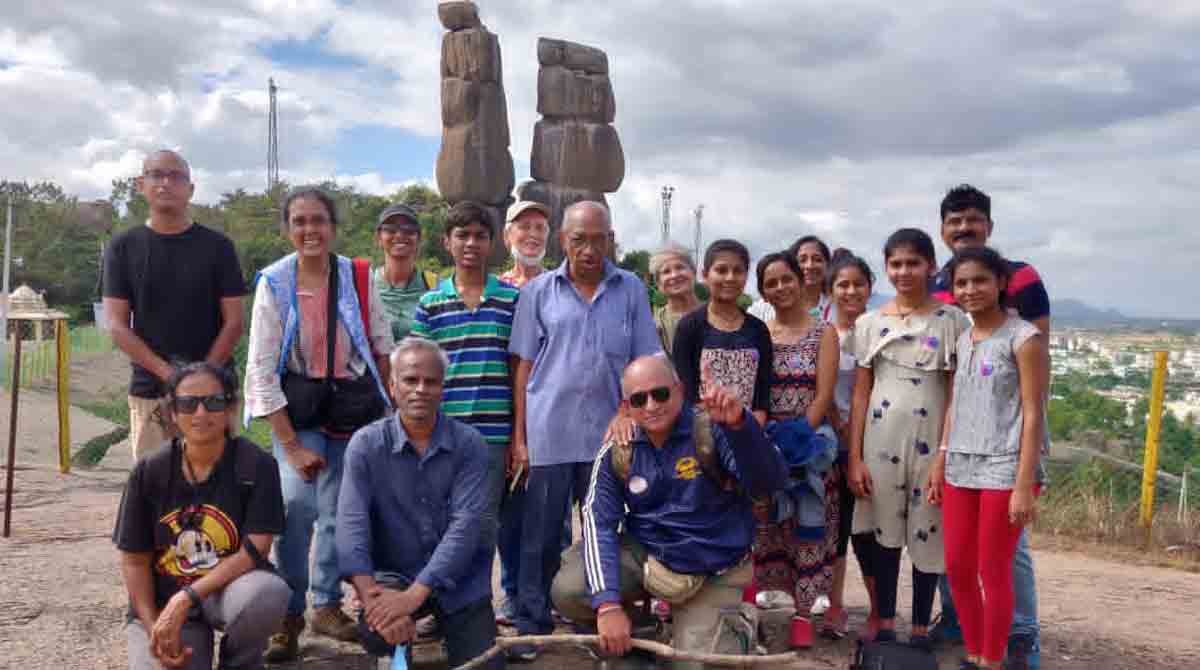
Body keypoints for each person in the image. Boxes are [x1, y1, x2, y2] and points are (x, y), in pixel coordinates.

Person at [552, 354, 788, 668]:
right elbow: (598, 524)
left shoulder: (714, 429)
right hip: (651, 557)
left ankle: (731, 628)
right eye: (639, 399)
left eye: (660, 393)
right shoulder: (617, 450)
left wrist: (741, 427)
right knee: (569, 589)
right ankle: (641, 636)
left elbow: (768, 483)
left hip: (713, 567)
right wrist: (608, 606)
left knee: (694, 665)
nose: (651, 405)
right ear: (626, 407)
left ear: (679, 390)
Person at [243, 187, 395, 660]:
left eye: (319, 220)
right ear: (288, 229)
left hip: (349, 407)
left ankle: (326, 604)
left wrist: (385, 410)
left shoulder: (358, 276)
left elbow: (381, 343)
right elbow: (261, 366)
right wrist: (289, 445)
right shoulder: (276, 282)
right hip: (298, 408)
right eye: (300, 221)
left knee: (339, 511)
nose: (310, 230)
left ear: (333, 226)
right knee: (295, 506)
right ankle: (287, 611)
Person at [508, 201, 661, 660]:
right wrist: (519, 439)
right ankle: (531, 625)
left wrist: (627, 411)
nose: (589, 249)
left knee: (605, 533)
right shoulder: (539, 292)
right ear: (563, 241)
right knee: (539, 534)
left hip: (609, 439)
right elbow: (523, 366)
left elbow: (644, 363)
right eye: (580, 239)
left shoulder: (631, 288)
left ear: (611, 240)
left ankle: (598, 624)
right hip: (549, 432)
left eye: (598, 239)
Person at [929, 184, 1049, 669]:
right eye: (962, 284)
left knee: (993, 569)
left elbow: (1034, 410)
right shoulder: (963, 337)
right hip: (961, 462)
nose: (970, 290)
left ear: (1001, 283)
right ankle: (976, 653)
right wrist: (940, 458)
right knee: (957, 566)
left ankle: (995, 659)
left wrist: (1025, 483)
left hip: (1005, 465)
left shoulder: (1023, 337)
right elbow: (955, 400)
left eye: (980, 281)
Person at [337, 338, 503, 669]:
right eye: (411, 380)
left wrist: (412, 598)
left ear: (443, 388)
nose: (421, 389)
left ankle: (436, 623)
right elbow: (350, 528)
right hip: (392, 578)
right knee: (377, 634)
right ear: (392, 385)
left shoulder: (470, 445)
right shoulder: (366, 445)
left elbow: (465, 529)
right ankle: (400, 639)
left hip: (460, 583)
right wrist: (375, 602)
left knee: (485, 664)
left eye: (431, 381)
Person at [114, 362, 289, 670]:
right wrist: (156, 625)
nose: (200, 414)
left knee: (268, 593)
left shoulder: (257, 465)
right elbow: (134, 560)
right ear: (172, 412)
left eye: (214, 402)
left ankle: (241, 663)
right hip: (164, 598)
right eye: (188, 404)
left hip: (226, 589)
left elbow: (255, 549)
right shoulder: (149, 472)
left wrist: (188, 597)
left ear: (230, 408)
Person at [846, 229, 969, 648]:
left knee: (927, 531)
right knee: (882, 532)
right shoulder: (868, 323)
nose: (904, 271)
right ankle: (883, 620)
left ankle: (920, 627)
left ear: (931, 267)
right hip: (879, 443)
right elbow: (861, 392)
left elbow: (956, 392)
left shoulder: (952, 322)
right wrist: (854, 457)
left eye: (913, 263)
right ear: (886, 269)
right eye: (896, 264)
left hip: (932, 442)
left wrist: (944, 455)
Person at [410, 200, 519, 620]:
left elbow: (517, 370)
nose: (471, 243)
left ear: (491, 243)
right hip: (443, 432)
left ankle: (475, 610)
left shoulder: (511, 299)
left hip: (492, 435)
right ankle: (438, 609)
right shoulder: (432, 303)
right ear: (447, 242)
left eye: (479, 235)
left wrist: (517, 436)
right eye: (462, 235)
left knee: (483, 526)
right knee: (439, 524)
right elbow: (420, 368)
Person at [103, 150, 246, 461]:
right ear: (141, 185)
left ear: (190, 189)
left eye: (176, 176)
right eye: (156, 175)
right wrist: (170, 376)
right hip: (152, 393)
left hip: (215, 391)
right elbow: (116, 324)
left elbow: (234, 322)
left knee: (219, 491)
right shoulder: (123, 247)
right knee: (156, 493)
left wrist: (201, 380)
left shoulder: (218, 247)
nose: (166, 183)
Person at [750, 251, 840, 646]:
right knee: (765, 531)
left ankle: (804, 618)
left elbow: (823, 395)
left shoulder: (824, 333)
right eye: (771, 283)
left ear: (800, 280)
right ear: (763, 292)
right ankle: (755, 618)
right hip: (766, 446)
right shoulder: (760, 334)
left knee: (808, 531)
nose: (781, 287)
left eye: (787, 278)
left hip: (810, 447)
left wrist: (798, 437)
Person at [823, 249, 876, 639]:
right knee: (836, 528)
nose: (851, 291)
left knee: (871, 530)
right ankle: (835, 605)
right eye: (843, 284)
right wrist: (836, 426)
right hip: (832, 443)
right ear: (830, 290)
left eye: (858, 284)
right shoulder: (822, 332)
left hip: (874, 443)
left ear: (870, 288)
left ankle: (881, 610)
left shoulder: (879, 329)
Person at [672, 239, 771, 428]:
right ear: (705, 275)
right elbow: (687, 392)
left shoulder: (758, 330)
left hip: (748, 430)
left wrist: (749, 432)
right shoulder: (689, 328)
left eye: (738, 271)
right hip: (702, 434)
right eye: (722, 270)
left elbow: (761, 398)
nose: (730, 278)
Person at [374, 203, 440, 342]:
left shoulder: (435, 287)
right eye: (390, 230)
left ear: (419, 239)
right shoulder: (364, 285)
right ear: (379, 238)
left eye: (409, 230)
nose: (399, 235)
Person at [748, 235, 833, 324]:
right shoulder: (762, 309)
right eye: (802, 260)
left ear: (828, 265)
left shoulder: (836, 308)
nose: (809, 266)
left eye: (817, 260)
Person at [649, 242, 702, 353]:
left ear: (694, 273)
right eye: (666, 272)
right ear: (658, 284)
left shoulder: (717, 316)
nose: (674, 275)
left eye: (680, 267)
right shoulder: (654, 326)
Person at [499, 200, 552, 288]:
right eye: (524, 227)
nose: (533, 234)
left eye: (540, 228)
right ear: (507, 235)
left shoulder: (557, 286)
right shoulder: (497, 288)